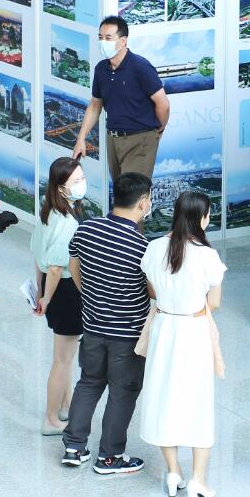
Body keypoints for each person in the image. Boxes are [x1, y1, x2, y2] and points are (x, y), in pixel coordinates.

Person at [60, 172, 153, 475]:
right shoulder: (142, 247)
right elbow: (152, 291)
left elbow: (74, 267)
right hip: (127, 335)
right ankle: (110, 457)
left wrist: (90, 297)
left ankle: (74, 447)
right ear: (143, 203)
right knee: (122, 392)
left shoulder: (87, 229)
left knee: (89, 383)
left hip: (92, 327)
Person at [137, 191, 227, 497]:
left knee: (164, 398)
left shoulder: (154, 248)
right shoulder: (207, 256)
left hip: (164, 327)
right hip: (193, 330)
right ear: (201, 218)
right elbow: (214, 303)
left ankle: (173, 471)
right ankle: (198, 480)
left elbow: (152, 290)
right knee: (198, 403)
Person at [71, 15, 170, 179]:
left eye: (108, 38)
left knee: (133, 191)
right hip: (113, 138)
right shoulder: (101, 69)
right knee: (120, 189)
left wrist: (158, 130)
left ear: (123, 41)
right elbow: (95, 105)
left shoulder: (140, 67)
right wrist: (81, 138)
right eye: (100, 38)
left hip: (140, 139)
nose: (103, 42)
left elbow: (163, 104)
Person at [32, 157, 87, 433]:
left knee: (65, 357)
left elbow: (38, 256)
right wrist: (47, 298)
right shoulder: (67, 222)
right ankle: (51, 418)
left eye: (82, 178)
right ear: (61, 187)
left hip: (53, 290)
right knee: (62, 360)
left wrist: (41, 293)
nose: (81, 184)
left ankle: (65, 406)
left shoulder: (48, 212)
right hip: (65, 291)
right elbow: (55, 267)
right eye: (76, 181)